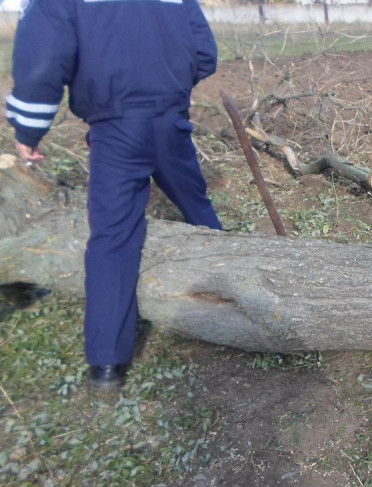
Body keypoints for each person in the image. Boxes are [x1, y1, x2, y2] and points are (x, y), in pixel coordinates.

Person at [6, 0, 223, 391]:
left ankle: (107, 366)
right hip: (169, 119)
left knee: (113, 237)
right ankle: (232, 282)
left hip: (115, 128)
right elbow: (205, 54)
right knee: (196, 204)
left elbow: (41, 64)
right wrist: (166, 85)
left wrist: (27, 132)